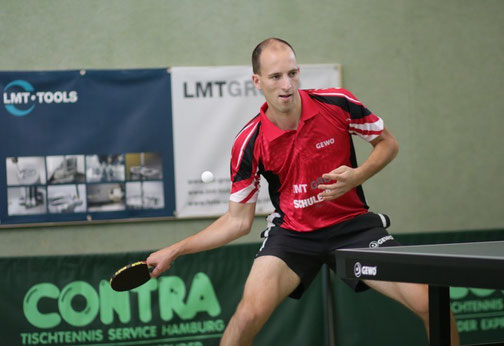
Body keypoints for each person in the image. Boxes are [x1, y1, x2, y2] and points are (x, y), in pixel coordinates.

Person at [147, 37, 460, 346]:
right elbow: (237, 222)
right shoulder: (250, 142)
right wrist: (176, 249)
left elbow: (388, 143)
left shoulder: (337, 104)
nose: (286, 85)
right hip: (293, 236)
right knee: (246, 317)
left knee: (432, 303)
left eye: (292, 73)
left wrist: (357, 176)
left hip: (352, 227)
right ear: (257, 81)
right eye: (275, 77)